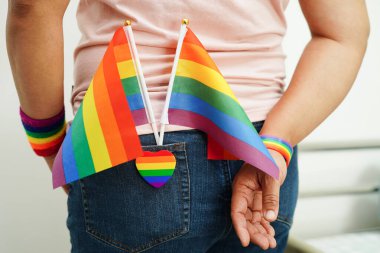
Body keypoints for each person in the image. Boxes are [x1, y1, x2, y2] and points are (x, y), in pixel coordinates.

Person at [6, 0, 369, 252]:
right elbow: (342, 35)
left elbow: (30, 9)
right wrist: (278, 142)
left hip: (127, 136)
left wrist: (50, 143)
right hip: (264, 150)